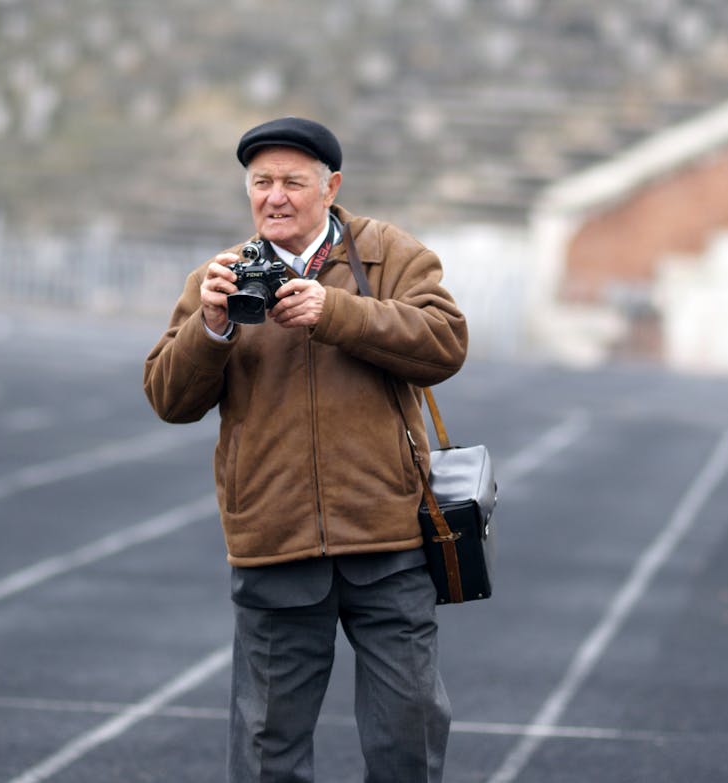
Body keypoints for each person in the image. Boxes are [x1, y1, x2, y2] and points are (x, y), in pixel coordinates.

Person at [143, 116, 468, 783]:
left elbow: (445, 343)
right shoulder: (219, 276)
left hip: (387, 538)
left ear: (331, 187)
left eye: (292, 182)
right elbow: (169, 399)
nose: (275, 197)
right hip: (274, 544)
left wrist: (335, 312)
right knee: (268, 749)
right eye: (261, 183)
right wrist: (211, 326)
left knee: (408, 736)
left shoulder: (389, 254)